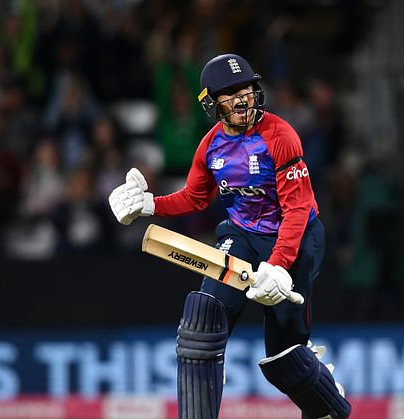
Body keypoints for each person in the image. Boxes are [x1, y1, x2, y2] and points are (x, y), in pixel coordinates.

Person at [108, 54, 351, 419]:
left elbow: (298, 209)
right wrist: (148, 204)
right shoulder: (210, 146)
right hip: (241, 234)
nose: (241, 99)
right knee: (200, 323)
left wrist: (279, 265)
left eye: (245, 90)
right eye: (228, 93)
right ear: (212, 102)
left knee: (286, 358)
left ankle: (328, 400)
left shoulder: (280, 136)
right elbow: (195, 196)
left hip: (295, 238)